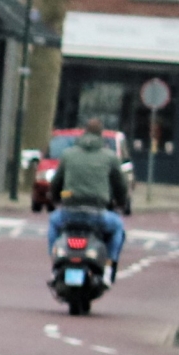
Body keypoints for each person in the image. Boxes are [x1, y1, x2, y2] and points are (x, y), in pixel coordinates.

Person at [47, 115, 130, 276]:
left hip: (69, 213)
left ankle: (55, 262)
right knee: (118, 228)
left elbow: (56, 183)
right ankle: (108, 265)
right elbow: (120, 186)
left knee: (53, 223)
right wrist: (121, 202)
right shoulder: (110, 157)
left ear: (84, 133)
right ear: (101, 135)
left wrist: (55, 198)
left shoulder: (68, 154)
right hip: (97, 214)